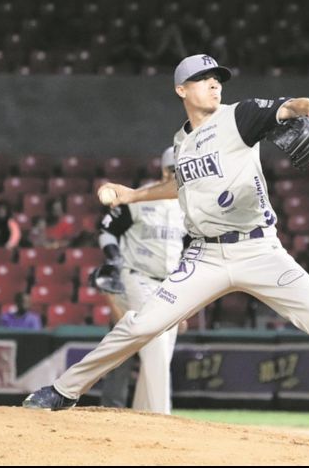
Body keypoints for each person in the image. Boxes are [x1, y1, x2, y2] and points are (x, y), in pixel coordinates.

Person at [23, 54, 309, 439]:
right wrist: (131, 196)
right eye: (201, 80)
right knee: (140, 324)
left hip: (259, 251)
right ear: (181, 90)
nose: (213, 85)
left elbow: (292, 106)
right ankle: (64, 390)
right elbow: (177, 185)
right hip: (204, 256)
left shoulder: (240, 116)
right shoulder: (181, 141)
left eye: (216, 79)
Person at [93, 146, 187, 415]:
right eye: (175, 170)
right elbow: (107, 229)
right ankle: (162, 415)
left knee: (161, 354)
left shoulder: (188, 206)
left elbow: (187, 253)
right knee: (156, 347)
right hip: (138, 278)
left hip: (170, 283)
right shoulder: (141, 198)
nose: (178, 176)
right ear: (164, 169)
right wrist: (112, 257)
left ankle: (145, 416)